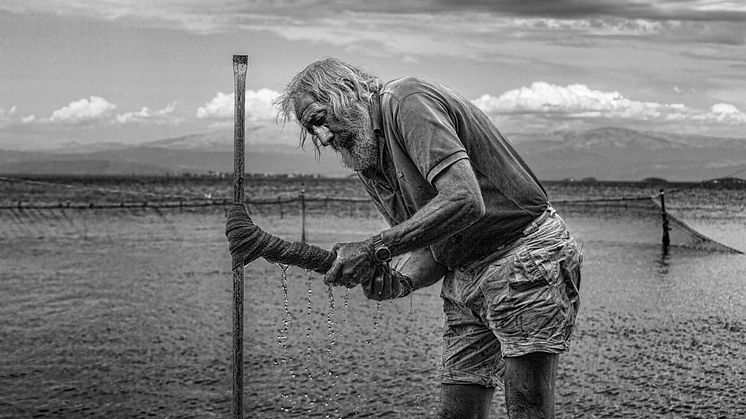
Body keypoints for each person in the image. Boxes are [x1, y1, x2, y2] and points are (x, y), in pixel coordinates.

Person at [232, 57, 583, 418]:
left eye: (320, 119)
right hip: (465, 274)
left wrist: (373, 249)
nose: (323, 137)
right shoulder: (365, 157)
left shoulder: (406, 102)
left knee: (527, 406)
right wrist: (400, 282)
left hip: (523, 253)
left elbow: (464, 199)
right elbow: (435, 246)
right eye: (312, 131)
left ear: (346, 93)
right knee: (457, 408)